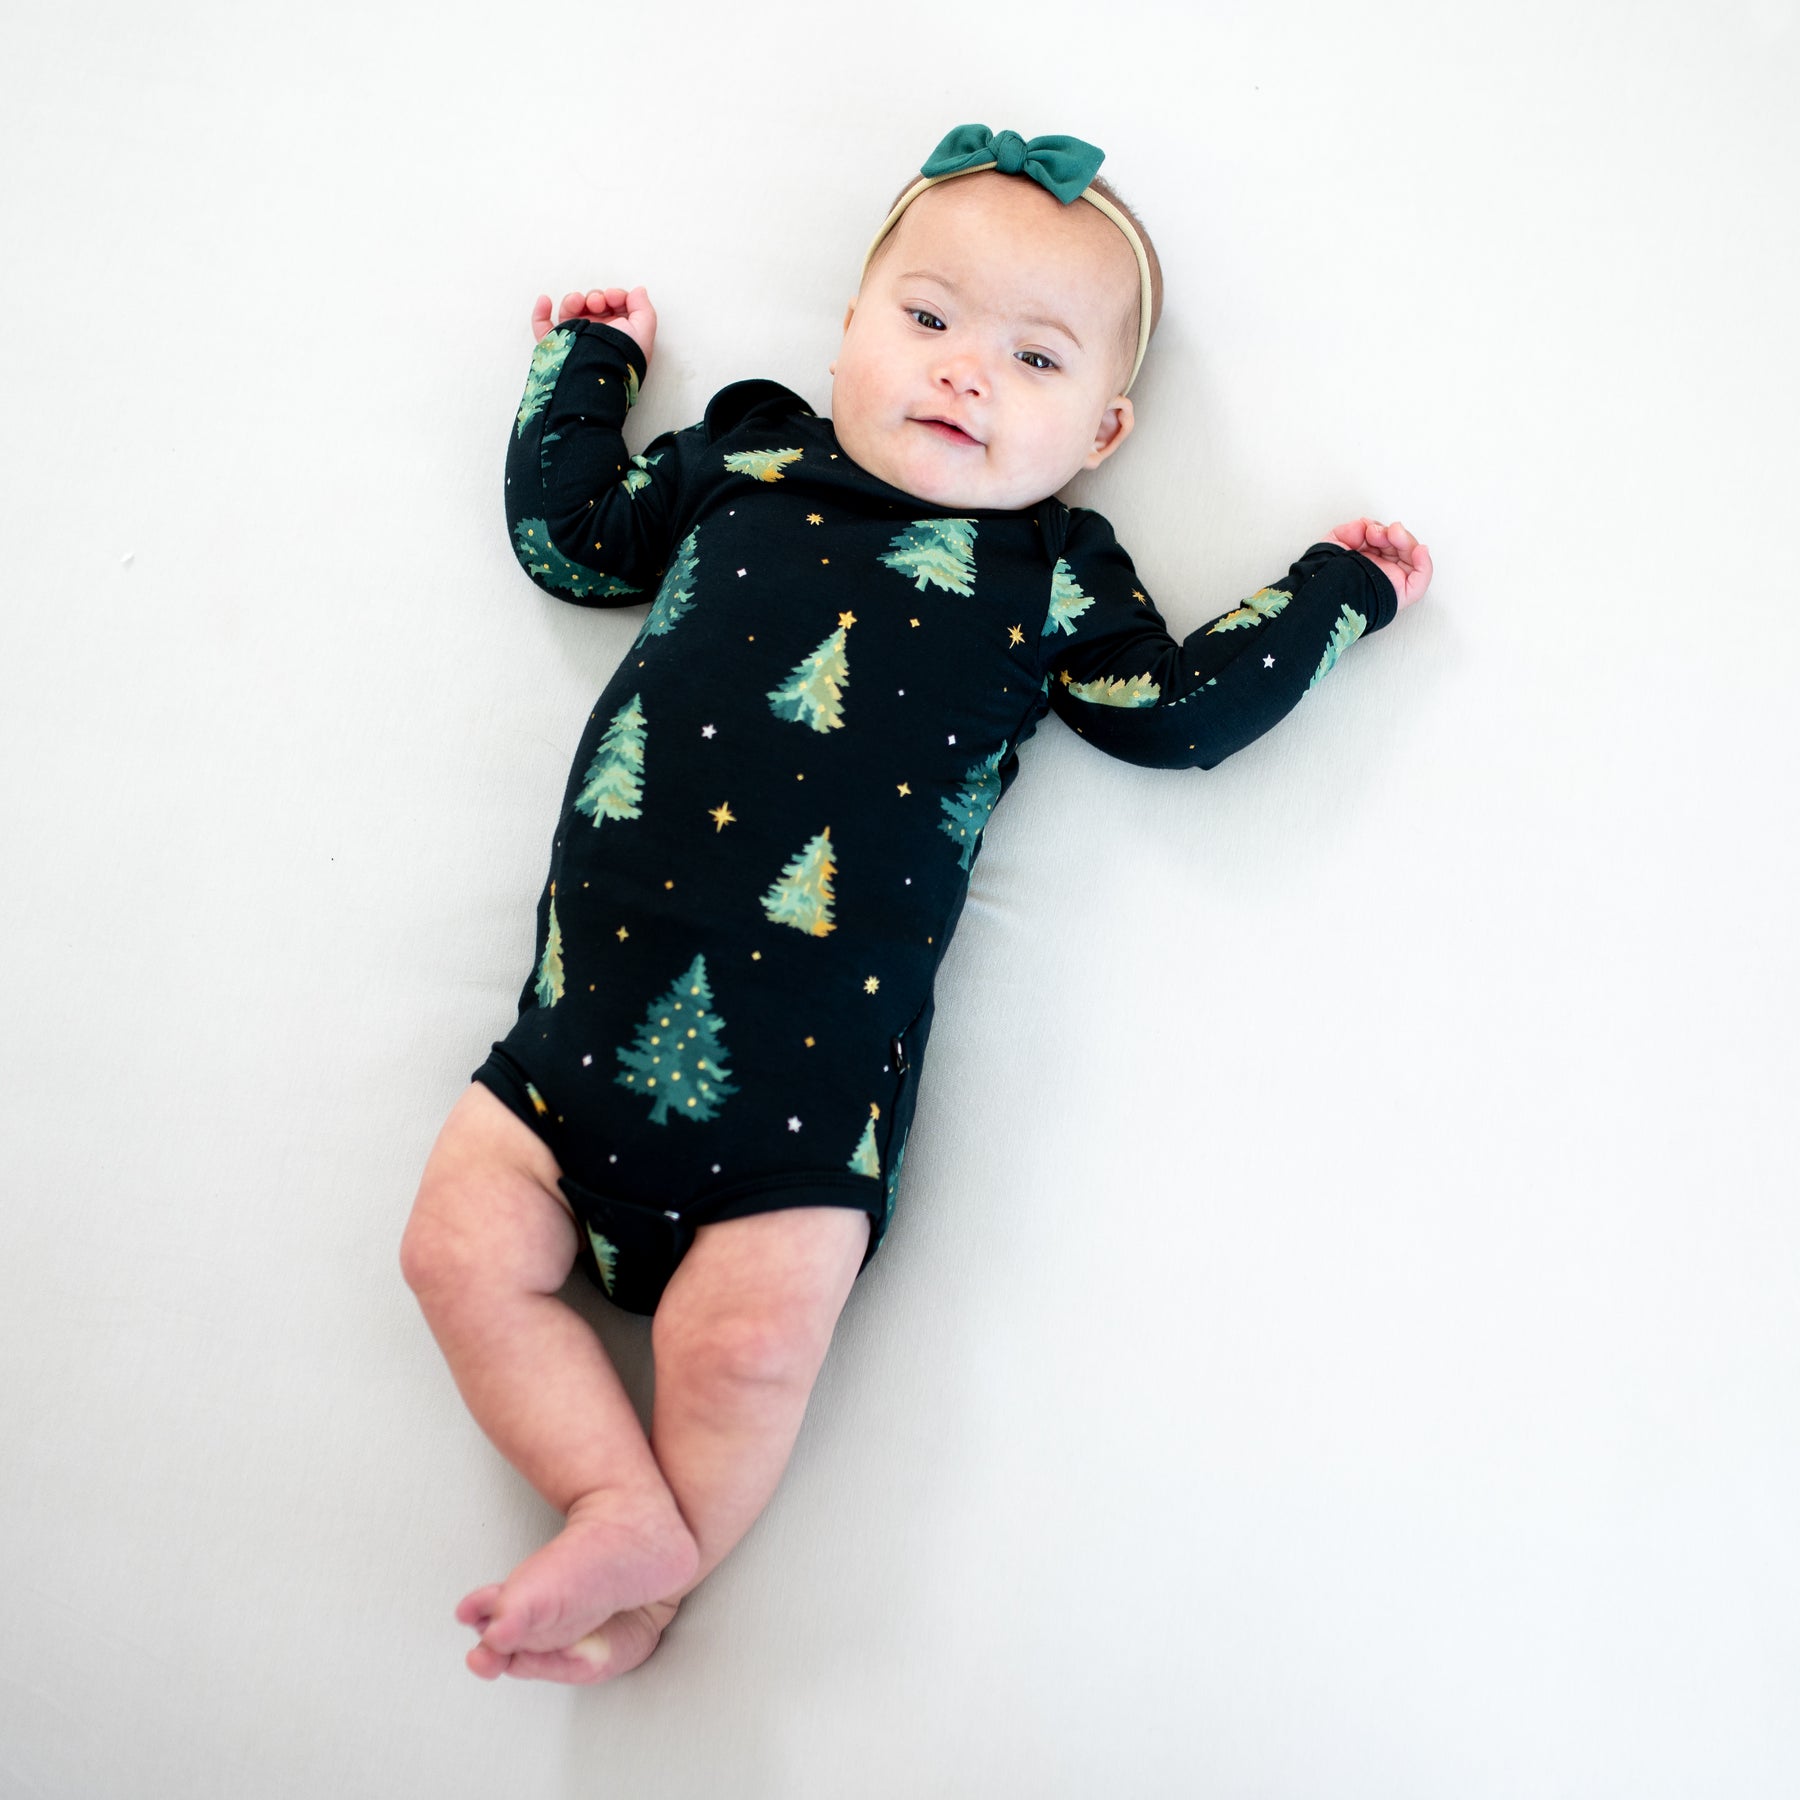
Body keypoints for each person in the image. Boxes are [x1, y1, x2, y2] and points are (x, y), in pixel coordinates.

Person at [400, 124, 1433, 1686]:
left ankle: (649, 1579)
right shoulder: (746, 459)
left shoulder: (1052, 575)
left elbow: (1173, 715)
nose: (963, 371)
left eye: (1034, 357)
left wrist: (1333, 596)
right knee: (452, 1251)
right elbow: (573, 542)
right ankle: (617, 1503)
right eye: (929, 318)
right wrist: (589, 368)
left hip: (798, 1128)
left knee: (749, 1349)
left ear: (1103, 430)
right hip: (559, 1068)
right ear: (848, 332)